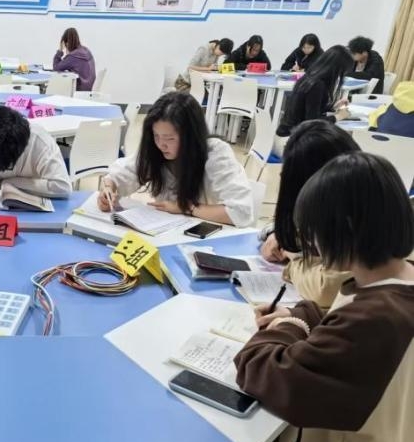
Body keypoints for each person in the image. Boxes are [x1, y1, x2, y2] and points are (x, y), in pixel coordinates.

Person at [228, 151, 414, 442]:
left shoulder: (376, 320)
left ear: (345, 227)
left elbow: (263, 371)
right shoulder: (394, 287)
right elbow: (332, 312)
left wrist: (287, 326)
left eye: (314, 232)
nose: (310, 244)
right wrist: (300, 315)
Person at [99, 92, 254, 227]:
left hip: (209, 234)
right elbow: (120, 175)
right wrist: (108, 190)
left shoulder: (215, 154)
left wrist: (186, 207)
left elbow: (241, 212)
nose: (161, 145)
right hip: (167, 232)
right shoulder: (156, 151)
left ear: (191, 137)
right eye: (156, 136)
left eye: (170, 138)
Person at [260, 120, 358, 308]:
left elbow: (325, 289)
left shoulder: (353, 217)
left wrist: (294, 260)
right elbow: (284, 220)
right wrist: (277, 234)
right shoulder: (332, 201)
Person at [274, 46, 354, 157]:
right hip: (290, 143)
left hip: (286, 137)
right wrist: (338, 117)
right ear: (336, 69)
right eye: (342, 72)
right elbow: (312, 122)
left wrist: (333, 107)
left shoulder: (309, 78)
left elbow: (307, 110)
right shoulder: (317, 85)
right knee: (341, 150)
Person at [52, 27, 96, 92]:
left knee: (57, 88)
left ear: (67, 43)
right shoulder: (86, 50)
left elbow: (56, 68)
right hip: (90, 89)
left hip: (79, 91)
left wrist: (60, 50)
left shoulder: (73, 56)